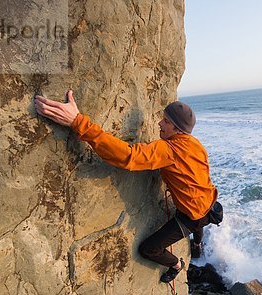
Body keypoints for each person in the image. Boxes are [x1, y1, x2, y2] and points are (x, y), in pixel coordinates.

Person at [34, 90, 217, 283]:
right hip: (210, 201)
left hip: (191, 217)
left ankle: (176, 265)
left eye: (166, 122)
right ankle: (197, 243)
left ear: (178, 130)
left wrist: (78, 122)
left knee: (149, 249)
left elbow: (127, 156)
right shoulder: (195, 144)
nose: (160, 123)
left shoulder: (168, 149)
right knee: (199, 224)